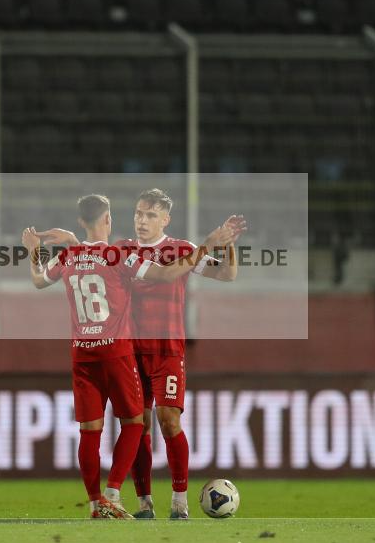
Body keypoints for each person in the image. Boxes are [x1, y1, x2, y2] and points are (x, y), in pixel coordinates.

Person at [22, 195, 243, 519]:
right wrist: (70, 239)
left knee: (169, 422)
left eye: (151, 215)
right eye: (139, 213)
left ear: (165, 219)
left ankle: (179, 502)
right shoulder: (122, 249)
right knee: (139, 428)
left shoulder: (182, 249)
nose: (142, 220)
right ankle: (144, 503)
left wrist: (227, 243)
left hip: (166, 349)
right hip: (129, 350)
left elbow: (227, 274)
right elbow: (88, 248)